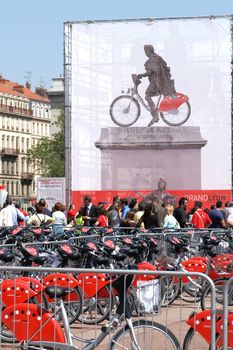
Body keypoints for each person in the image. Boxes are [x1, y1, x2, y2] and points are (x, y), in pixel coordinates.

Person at [137, 44, 176, 126]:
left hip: (156, 82)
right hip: (156, 81)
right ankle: (155, 113)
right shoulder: (155, 57)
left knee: (147, 95)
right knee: (148, 95)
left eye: (145, 51)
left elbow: (150, 72)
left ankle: (155, 115)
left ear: (148, 51)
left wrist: (141, 75)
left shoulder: (153, 59)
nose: (145, 53)